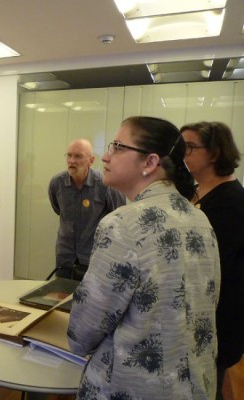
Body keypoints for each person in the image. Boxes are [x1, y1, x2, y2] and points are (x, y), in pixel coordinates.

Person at [67, 116, 220, 399]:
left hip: (131, 388)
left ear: (150, 163)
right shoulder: (200, 219)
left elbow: (84, 331)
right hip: (194, 386)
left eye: (117, 146)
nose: (105, 155)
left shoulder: (123, 224)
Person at [181, 121, 244, 399]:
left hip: (216, 324)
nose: (183, 154)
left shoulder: (233, 203)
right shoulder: (195, 193)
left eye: (190, 148)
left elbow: (209, 269)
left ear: (215, 153)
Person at [48, 138, 125, 280]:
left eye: (78, 156)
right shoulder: (57, 183)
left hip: (95, 258)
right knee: (60, 296)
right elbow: (58, 209)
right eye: (69, 155)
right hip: (65, 258)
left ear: (91, 160)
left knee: (91, 300)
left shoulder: (106, 185)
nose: (71, 161)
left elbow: (120, 218)